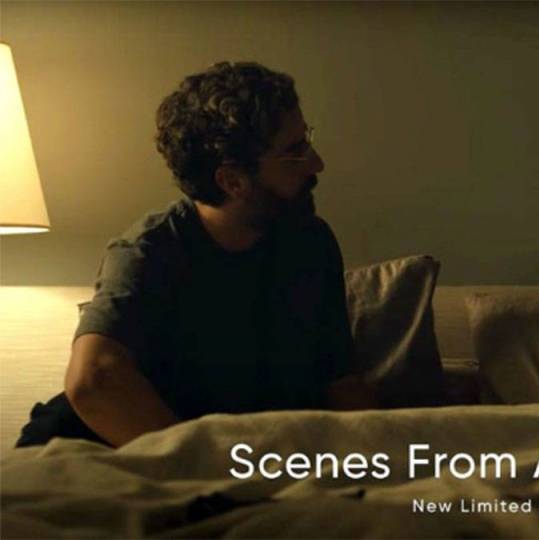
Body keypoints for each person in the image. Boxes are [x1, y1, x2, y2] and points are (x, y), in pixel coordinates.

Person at [17, 62, 375, 449]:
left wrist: (383, 456)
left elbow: (341, 382)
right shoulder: (149, 252)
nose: (317, 163)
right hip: (108, 452)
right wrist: (211, 466)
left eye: (307, 140)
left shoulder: (310, 244)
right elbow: (94, 381)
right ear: (232, 181)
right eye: (295, 151)